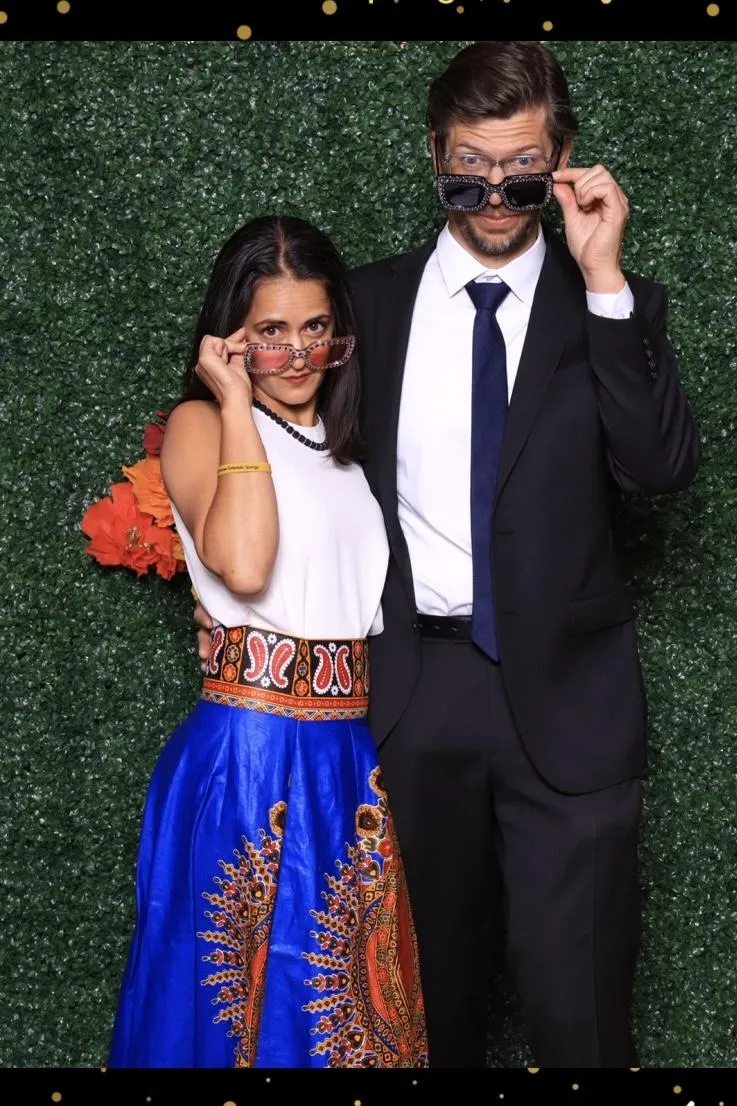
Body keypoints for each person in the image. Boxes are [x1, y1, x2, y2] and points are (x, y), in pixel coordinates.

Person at [194, 41, 701, 1068]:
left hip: (569, 707)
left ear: (558, 159)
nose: (495, 193)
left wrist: (601, 276)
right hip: (411, 698)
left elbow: (655, 470)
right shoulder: (361, 314)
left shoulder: (608, 305)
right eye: (469, 166)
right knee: (416, 1015)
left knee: (582, 1020)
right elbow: (290, 461)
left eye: (520, 167)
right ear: (434, 153)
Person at [108, 215, 428, 1068]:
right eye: (269, 333)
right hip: (245, 752)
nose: (294, 354)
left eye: (314, 329)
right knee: (222, 1011)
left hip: (345, 757)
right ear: (230, 338)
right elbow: (244, 565)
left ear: (340, 335)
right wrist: (236, 401)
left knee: (339, 1014)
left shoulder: (351, 453)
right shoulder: (200, 427)